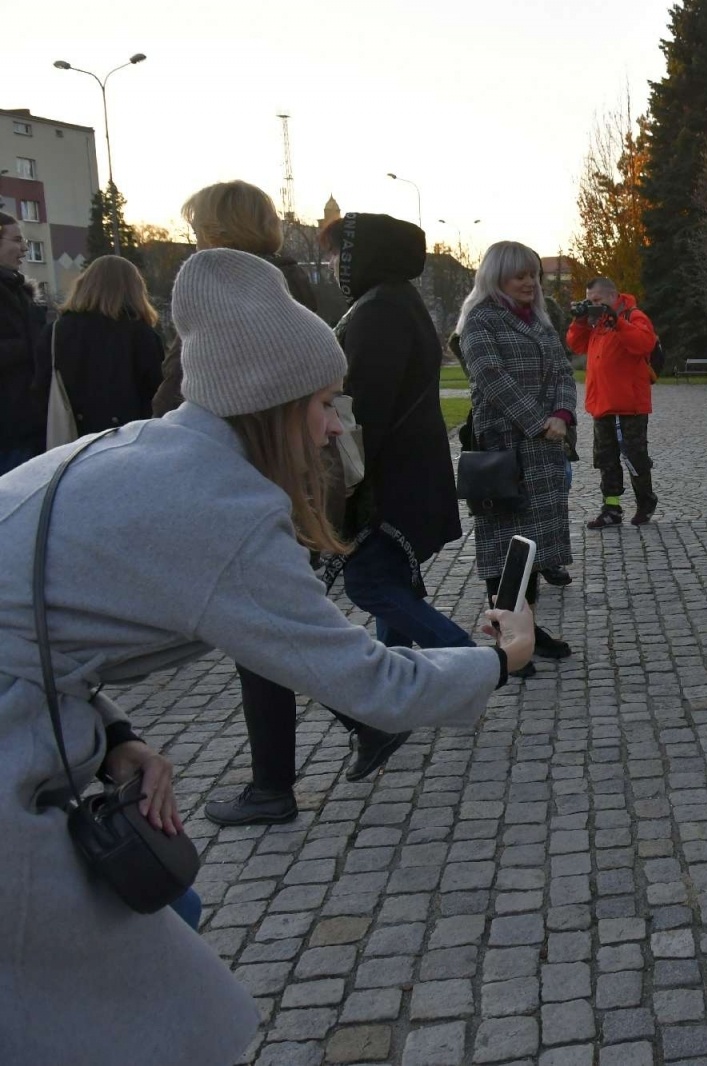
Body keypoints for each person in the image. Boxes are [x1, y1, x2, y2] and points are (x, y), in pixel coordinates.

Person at [0, 248, 535, 1065]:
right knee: (138, 1011)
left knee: (166, 919)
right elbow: (372, 683)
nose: (335, 425)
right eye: (324, 404)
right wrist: (498, 663)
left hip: (33, 725)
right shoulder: (223, 507)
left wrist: (112, 738)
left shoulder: (148, 446)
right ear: (273, 407)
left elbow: (32, 626)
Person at [148, 183, 383, 826]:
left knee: (263, 626)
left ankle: (280, 779)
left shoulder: (224, 294)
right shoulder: (285, 287)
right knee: (275, 620)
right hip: (288, 477)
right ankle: (357, 722)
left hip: (256, 478)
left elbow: (190, 393)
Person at [319, 212, 474, 767]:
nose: (333, 264)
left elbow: (365, 408)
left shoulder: (379, 309)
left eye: (338, 253)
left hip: (390, 476)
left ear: (364, 253)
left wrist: (344, 485)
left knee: (370, 585)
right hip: (408, 469)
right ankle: (387, 707)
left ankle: (466, 665)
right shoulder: (394, 301)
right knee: (389, 582)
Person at [456, 242, 577, 669]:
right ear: (496, 277)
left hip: (543, 450)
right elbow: (490, 376)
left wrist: (562, 413)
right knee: (504, 551)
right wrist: (539, 420)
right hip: (504, 450)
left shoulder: (540, 321)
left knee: (532, 548)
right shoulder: (481, 321)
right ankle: (511, 647)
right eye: (518, 275)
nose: (528, 282)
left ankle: (527, 630)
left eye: (532, 274)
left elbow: (563, 370)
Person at [151, 181, 319, 417]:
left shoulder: (223, 290)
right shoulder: (289, 279)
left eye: (197, 233)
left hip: (224, 440)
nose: (196, 244)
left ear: (217, 234)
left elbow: (179, 385)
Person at [567, 276, 659, 527]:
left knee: (634, 456)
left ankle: (645, 501)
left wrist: (617, 322)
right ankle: (612, 508)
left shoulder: (633, 316)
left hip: (630, 404)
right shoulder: (595, 323)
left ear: (612, 296)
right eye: (589, 300)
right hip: (602, 403)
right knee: (605, 458)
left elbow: (644, 343)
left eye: (596, 300)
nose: (593, 304)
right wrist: (580, 320)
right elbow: (575, 345)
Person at [35, 255, 164, 435]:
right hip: (128, 438)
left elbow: (40, 388)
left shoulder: (56, 331)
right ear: (133, 289)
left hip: (70, 439)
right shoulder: (141, 334)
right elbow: (157, 393)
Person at [0, 211, 46, 475]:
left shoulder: (21, 291)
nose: (24, 249)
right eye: (16, 240)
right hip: (7, 429)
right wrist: (28, 347)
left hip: (27, 423)